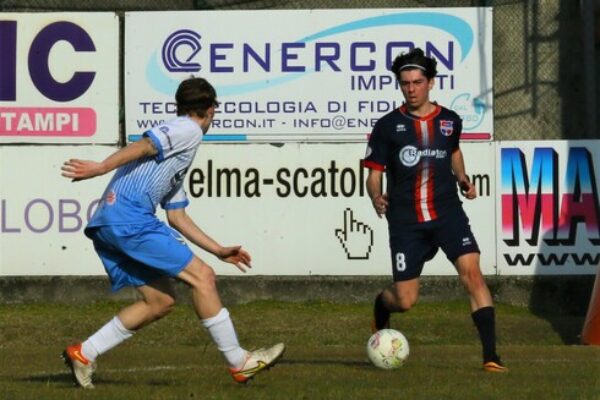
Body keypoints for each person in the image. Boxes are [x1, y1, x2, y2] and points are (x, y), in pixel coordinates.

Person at [60, 77, 285, 389]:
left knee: (160, 301)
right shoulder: (188, 130)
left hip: (108, 224)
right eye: (214, 110)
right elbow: (145, 144)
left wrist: (218, 249)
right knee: (203, 278)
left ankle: (84, 353)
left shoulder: (178, 152)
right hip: (129, 220)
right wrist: (100, 167)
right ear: (211, 110)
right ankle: (239, 362)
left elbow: (176, 216)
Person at [362, 48, 506, 372]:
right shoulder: (387, 126)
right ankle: (381, 304)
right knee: (406, 300)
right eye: (405, 83)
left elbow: (453, 152)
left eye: (417, 82)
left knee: (473, 274)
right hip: (406, 220)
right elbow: (373, 174)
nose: (411, 89)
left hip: (447, 214)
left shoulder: (449, 121)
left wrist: (463, 178)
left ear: (431, 82)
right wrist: (375, 197)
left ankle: (491, 356)